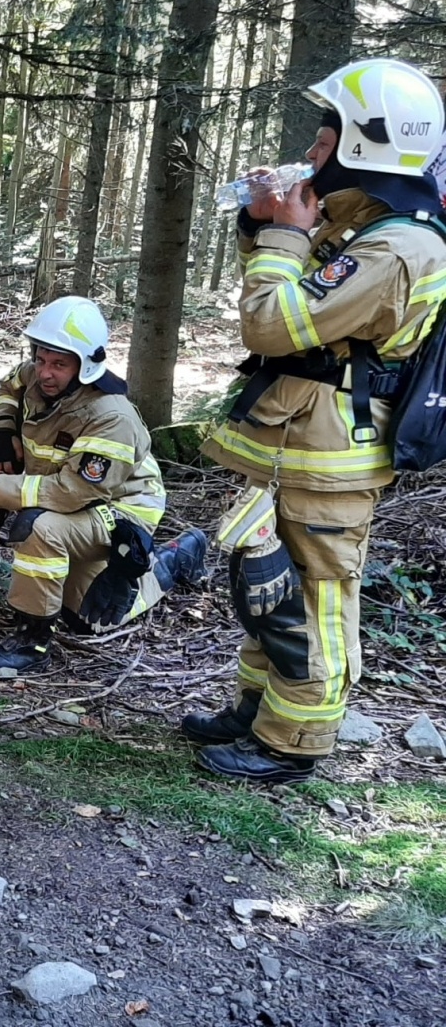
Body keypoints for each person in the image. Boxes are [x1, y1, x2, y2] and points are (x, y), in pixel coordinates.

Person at [191, 58, 446, 784]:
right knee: (269, 584)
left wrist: (285, 239)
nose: (310, 152)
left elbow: (271, 323)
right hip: (298, 442)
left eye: (325, 138)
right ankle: (258, 710)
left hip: (332, 456)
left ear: (365, 144)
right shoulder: (367, 219)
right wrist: (262, 220)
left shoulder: (400, 246)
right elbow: (293, 273)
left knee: (319, 597)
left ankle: (293, 744)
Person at [0, 296, 208, 676]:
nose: (44, 372)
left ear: (85, 365)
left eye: (58, 364)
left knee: (40, 527)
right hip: (77, 497)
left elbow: (70, 493)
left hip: (120, 507)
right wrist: (1, 433)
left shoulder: (110, 416)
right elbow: (9, 386)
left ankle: (31, 642)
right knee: (84, 616)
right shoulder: (37, 377)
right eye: (40, 359)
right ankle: (176, 557)